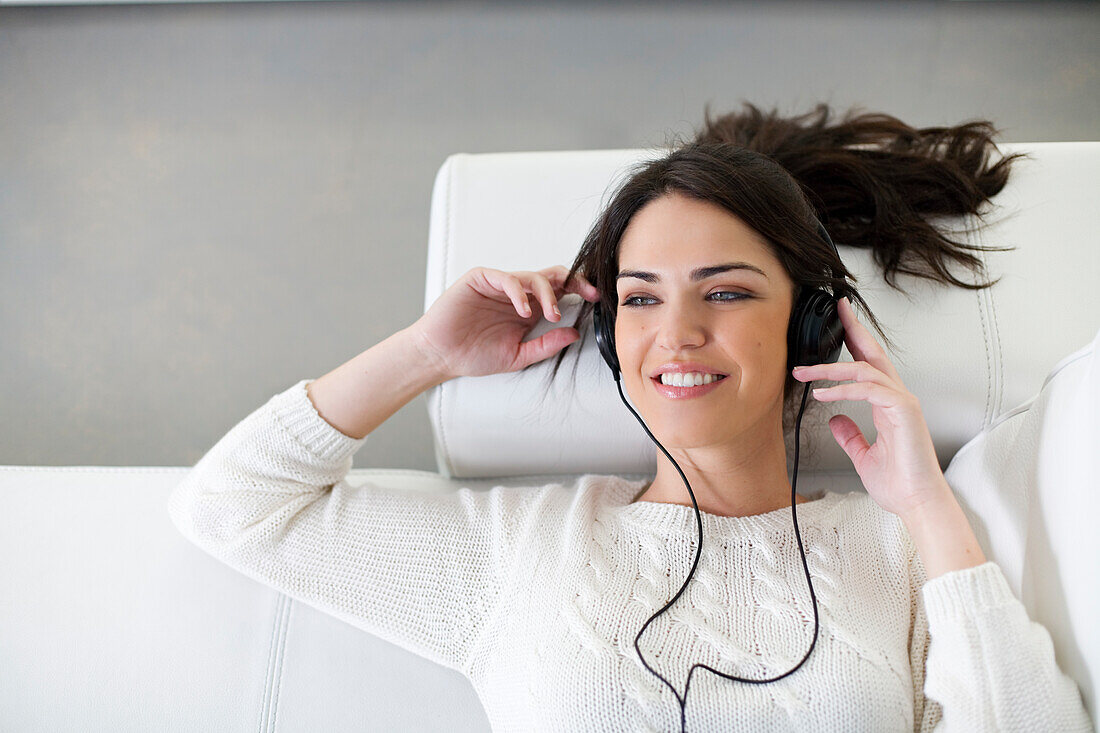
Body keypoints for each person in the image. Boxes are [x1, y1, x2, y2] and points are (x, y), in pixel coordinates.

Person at [168, 102, 1092, 732]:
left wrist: (925, 505)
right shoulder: (526, 542)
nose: (677, 335)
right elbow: (234, 505)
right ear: (609, 333)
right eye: (641, 299)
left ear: (809, 322)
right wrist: (431, 353)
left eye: (726, 293)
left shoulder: (903, 546)